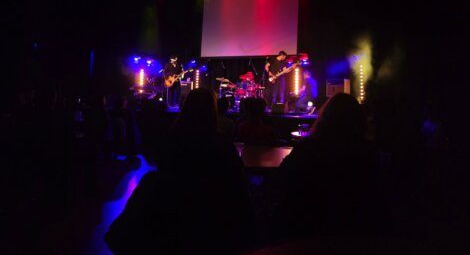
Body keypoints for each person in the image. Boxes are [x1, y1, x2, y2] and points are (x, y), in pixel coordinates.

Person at [105, 88, 256, 255]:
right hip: (213, 217)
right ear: (213, 110)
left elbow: (162, 164)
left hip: (170, 213)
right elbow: (235, 176)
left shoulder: (171, 138)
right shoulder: (221, 143)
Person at [271, 93, 390, 240]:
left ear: (325, 118)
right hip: (356, 231)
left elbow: (282, 179)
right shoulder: (369, 152)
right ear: (359, 120)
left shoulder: (308, 148)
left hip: (306, 230)